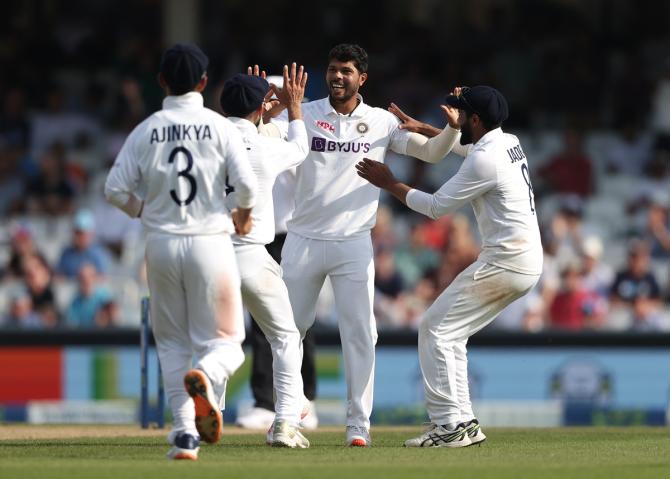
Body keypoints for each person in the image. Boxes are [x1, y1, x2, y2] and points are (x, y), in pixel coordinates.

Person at [263, 44, 463, 447]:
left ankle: (358, 425)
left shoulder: (381, 122)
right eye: (334, 70)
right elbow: (257, 138)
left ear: (362, 79)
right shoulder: (305, 111)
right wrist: (266, 112)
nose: (338, 77)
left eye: (347, 71)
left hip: (353, 243)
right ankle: (287, 416)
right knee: (287, 333)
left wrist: (453, 129)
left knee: (359, 334)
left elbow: (434, 152)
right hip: (302, 238)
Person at [356, 85, 543, 447]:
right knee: (450, 333)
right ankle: (463, 422)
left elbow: (436, 207)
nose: (453, 115)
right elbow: (467, 147)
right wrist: (428, 130)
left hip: (506, 261)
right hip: (521, 260)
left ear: (475, 119)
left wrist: (389, 183)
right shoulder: (506, 141)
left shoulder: (485, 159)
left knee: (435, 329)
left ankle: (449, 426)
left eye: (461, 112)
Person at [104, 43, 257, 460]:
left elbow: (113, 190)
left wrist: (142, 211)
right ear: (205, 82)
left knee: (172, 344)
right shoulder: (219, 126)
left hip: (162, 244)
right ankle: (206, 377)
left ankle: (185, 434)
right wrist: (241, 216)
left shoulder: (147, 129)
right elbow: (247, 186)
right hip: (210, 241)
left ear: (161, 82)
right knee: (226, 343)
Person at [219, 66, 311, 448]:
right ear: (259, 109)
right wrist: (293, 109)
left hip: (210, 256)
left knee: (217, 342)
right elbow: (300, 148)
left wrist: (261, 115)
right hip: (253, 255)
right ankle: (286, 422)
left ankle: (203, 408)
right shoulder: (266, 146)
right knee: (286, 338)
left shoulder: (208, 141)